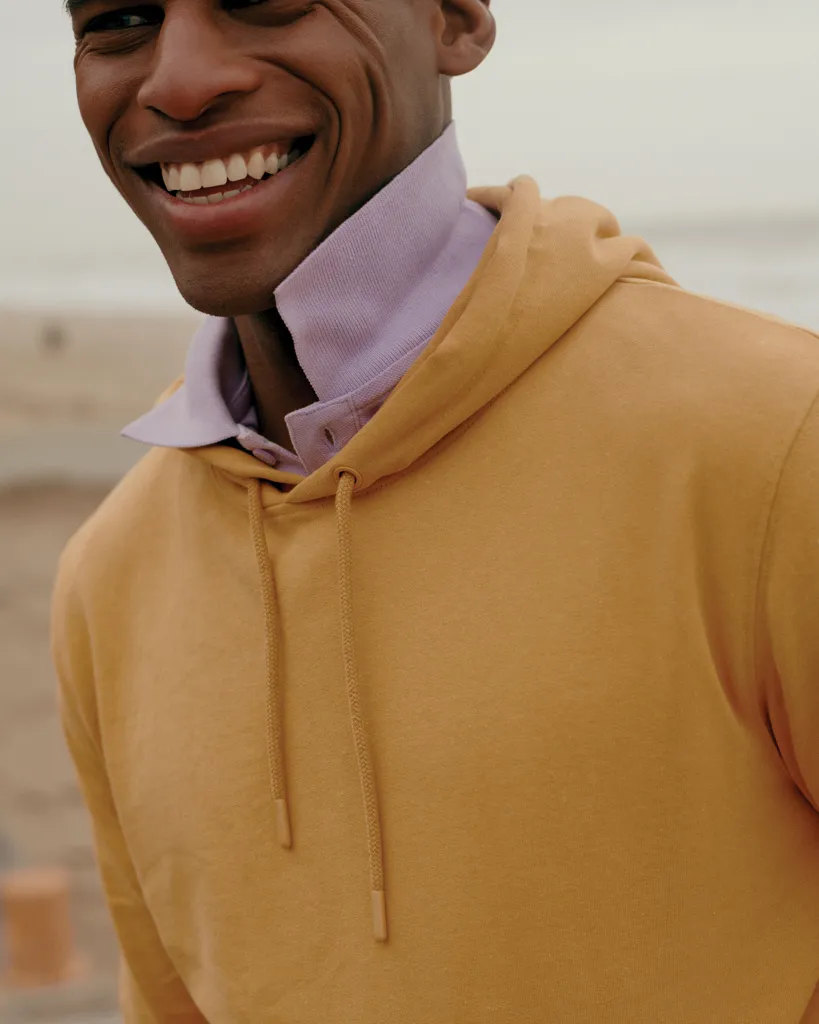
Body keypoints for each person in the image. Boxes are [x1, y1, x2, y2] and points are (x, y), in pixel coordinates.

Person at [51, 0, 819, 1021]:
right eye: (118, 19)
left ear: (454, 18)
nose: (179, 81)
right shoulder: (108, 575)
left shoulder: (776, 441)